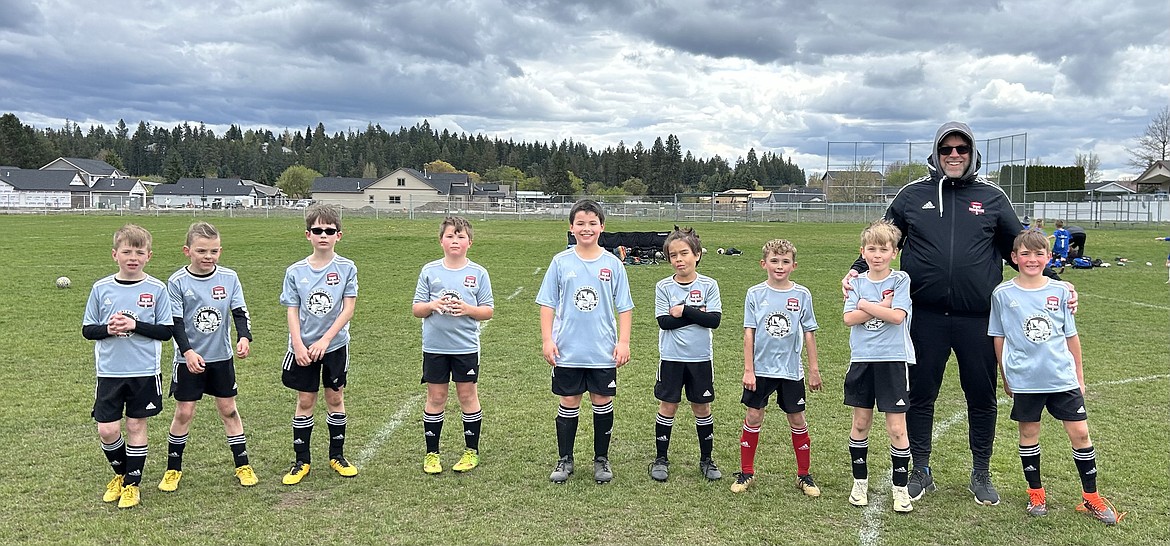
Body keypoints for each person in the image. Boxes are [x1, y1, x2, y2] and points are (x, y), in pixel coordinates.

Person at [841, 121, 1075, 506]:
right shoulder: (911, 195)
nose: (953, 155)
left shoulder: (993, 197)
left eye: (961, 149)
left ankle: (980, 472)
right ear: (935, 153)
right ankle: (921, 469)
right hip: (925, 317)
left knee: (980, 396)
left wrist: (1055, 283)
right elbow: (883, 239)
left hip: (977, 318)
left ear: (972, 153)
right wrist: (856, 269)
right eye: (946, 149)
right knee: (919, 395)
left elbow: (1020, 250)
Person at [989, 230, 1119, 524]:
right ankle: (1036, 492)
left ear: (1048, 258)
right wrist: (1005, 375)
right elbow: (998, 337)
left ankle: (1091, 497)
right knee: (1029, 435)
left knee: (1081, 434)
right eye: (1025, 254)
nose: (1031, 260)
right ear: (1014, 258)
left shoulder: (1060, 291)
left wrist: (1079, 376)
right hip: (1025, 379)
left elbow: (1071, 336)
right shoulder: (1002, 294)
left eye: (1038, 254)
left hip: (1061, 377)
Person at [537, 199, 633, 484]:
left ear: (602, 227)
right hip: (567, 349)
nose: (586, 228)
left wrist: (624, 341)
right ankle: (565, 459)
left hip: (602, 350)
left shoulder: (613, 264)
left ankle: (601, 459)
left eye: (592, 223)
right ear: (571, 227)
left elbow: (624, 307)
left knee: (602, 401)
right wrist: (547, 339)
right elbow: (547, 304)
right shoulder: (560, 262)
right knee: (569, 401)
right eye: (580, 223)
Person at [158, 222, 256, 492]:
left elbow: (239, 312)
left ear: (220, 251)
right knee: (184, 412)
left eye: (213, 251)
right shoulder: (177, 282)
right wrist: (187, 352)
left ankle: (243, 465)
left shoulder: (229, 278)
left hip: (221, 358)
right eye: (201, 251)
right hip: (188, 360)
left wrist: (244, 337)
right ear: (187, 250)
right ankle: (173, 470)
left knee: (229, 410)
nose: (208, 256)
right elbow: (175, 323)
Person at [83, 224, 174, 508]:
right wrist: (107, 328)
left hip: (144, 371)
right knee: (107, 430)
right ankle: (121, 474)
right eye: (126, 251)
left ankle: (133, 485)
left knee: (136, 425)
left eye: (139, 252)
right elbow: (88, 329)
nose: (132, 257)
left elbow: (166, 331)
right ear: (115, 255)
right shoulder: (101, 288)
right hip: (110, 371)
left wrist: (135, 325)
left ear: (149, 256)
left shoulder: (157, 289)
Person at [733, 239, 822, 496]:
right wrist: (748, 369)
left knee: (797, 418)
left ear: (794, 265)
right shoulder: (755, 293)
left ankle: (804, 476)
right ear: (764, 264)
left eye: (785, 262)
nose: (779, 266)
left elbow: (808, 334)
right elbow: (748, 333)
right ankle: (746, 472)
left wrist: (813, 369)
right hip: (760, 370)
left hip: (791, 370)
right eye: (774, 261)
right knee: (753, 416)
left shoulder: (802, 295)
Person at [280, 204, 359, 484]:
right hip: (303, 347)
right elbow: (292, 309)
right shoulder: (295, 271)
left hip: (335, 345)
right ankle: (301, 461)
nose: (323, 235)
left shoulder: (347, 268)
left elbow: (348, 309)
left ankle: (337, 455)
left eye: (329, 230)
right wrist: (299, 345)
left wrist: (327, 340)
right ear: (308, 234)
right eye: (317, 230)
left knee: (335, 397)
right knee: (305, 400)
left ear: (339, 235)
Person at [842, 220, 916, 512]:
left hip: (893, 360)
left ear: (894, 252)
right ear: (863, 252)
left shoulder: (900, 280)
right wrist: (881, 306)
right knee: (860, 423)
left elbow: (898, 317)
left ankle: (900, 489)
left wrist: (866, 305)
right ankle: (859, 483)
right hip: (862, 360)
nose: (877, 255)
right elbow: (848, 319)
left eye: (883, 249)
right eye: (871, 249)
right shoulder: (856, 282)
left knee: (897, 428)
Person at [412, 216, 494, 474]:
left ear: (470, 242)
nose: (455, 241)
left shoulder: (478, 273)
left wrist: (469, 309)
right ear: (441, 241)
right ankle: (432, 454)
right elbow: (416, 309)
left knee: (467, 395)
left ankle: (471, 451)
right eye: (450, 236)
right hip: (435, 347)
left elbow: (488, 311)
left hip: (465, 348)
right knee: (436, 397)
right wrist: (431, 306)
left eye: (460, 237)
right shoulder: (430, 271)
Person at [649, 227, 723, 482]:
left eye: (684, 253)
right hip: (671, 358)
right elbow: (664, 322)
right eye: (673, 255)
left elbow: (713, 320)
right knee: (668, 406)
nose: (679, 259)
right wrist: (696, 313)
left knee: (701, 407)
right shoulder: (663, 286)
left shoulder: (709, 285)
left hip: (700, 358)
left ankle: (706, 459)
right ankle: (660, 459)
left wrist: (683, 310)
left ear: (697, 255)